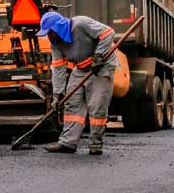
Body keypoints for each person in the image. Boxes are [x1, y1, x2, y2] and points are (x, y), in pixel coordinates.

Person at [38, 11, 117, 156]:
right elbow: (58, 68)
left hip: (102, 66)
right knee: (72, 102)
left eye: (50, 32)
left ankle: (95, 144)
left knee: (96, 105)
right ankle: (68, 143)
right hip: (80, 68)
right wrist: (58, 94)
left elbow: (108, 33)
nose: (48, 36)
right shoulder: (55, 44)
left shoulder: (81, 24)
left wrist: (99, 56)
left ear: (58, 28)